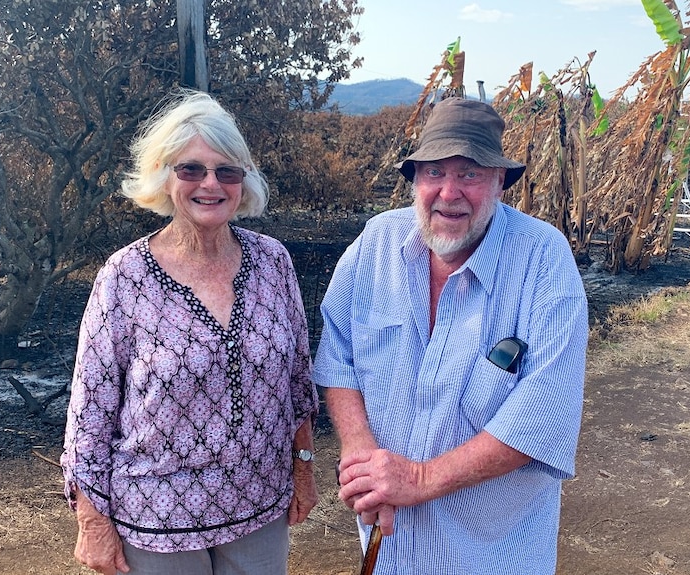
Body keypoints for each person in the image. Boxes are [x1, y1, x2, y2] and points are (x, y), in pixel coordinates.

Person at [312, 97, 587, 575]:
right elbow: (338, 354)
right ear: (415, 179)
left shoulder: (543, 259)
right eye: (435, 172)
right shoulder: (377, 244)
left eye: (470, 174)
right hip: (390, 547)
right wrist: (358, 447)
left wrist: (419, 478)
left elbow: (544, 417)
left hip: (493, 555)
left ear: (500, 181)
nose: (449, 192)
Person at [61, 89, 318, 575]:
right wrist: (92, 521)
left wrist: (303, 468)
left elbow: (297, 384)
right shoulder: (123, 277)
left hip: (259, 507)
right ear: (163, 176)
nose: (211, 184)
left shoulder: (272, 262)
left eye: (227, 171)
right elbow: (90, 411)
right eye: (191, 169)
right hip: (156, 520)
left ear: (244, 181)